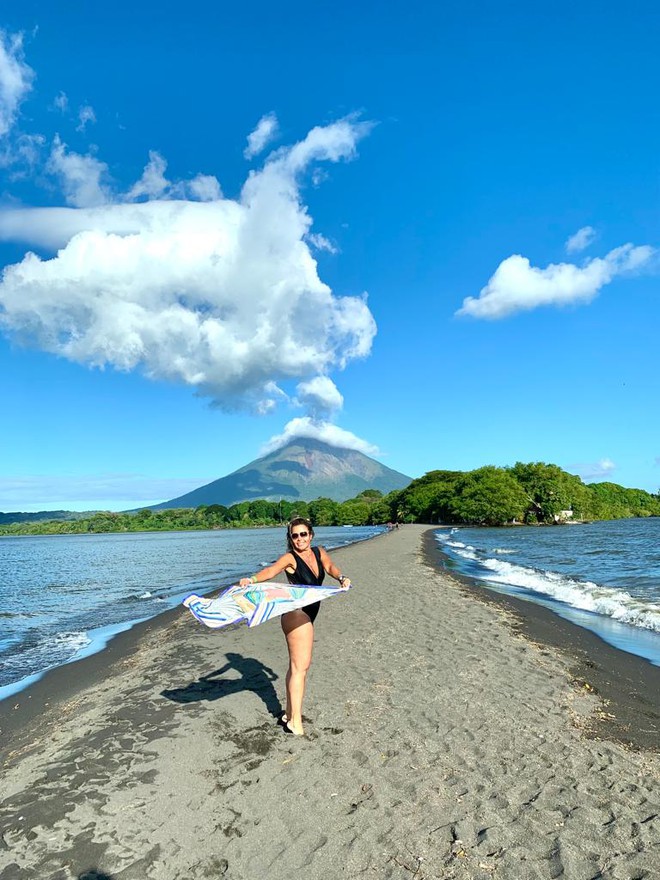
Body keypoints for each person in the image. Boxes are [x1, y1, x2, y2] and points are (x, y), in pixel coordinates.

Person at [239, 517, 351, 736]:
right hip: (296, 614)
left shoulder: (319, 552)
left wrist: (341, 577)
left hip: (311, 612)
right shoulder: (290, 558)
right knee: (301, 667)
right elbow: (271, 571)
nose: (299, 539)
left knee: (297, 666)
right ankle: (295, 723)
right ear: (290, 539)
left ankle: (289, 714)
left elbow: (329, 567)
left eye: (303, 534)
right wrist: (251, 579)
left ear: (311, 535)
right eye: (295, 535)